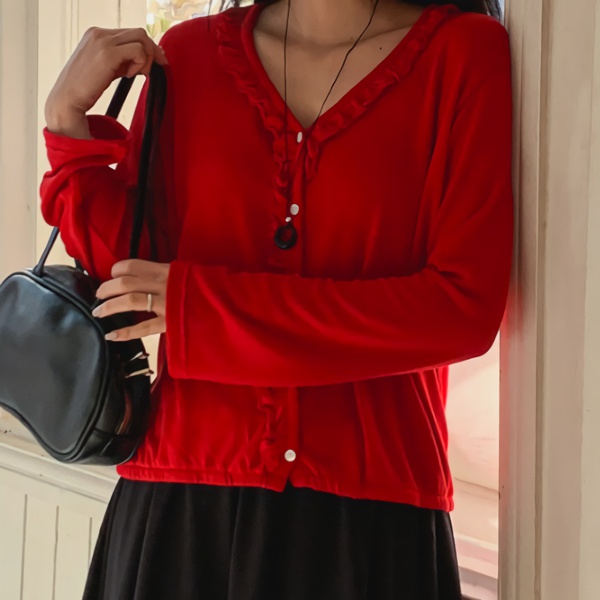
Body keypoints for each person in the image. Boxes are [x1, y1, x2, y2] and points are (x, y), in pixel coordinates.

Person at [41, 0, 512, 598]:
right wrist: (66, 122)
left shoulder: (465, 54)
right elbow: (131, 279)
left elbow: (461, 310)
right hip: (179, 510)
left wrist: (205, 308)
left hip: (371, 526)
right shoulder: (189, 55)